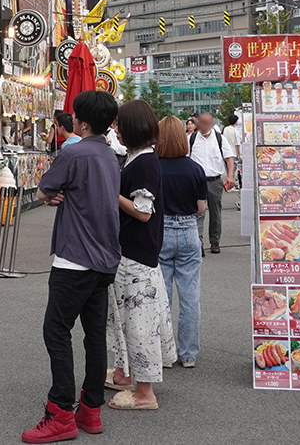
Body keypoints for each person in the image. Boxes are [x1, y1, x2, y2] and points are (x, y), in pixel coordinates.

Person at [23, 91, 121, 444]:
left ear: (81, 121)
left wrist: (53, 195)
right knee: (94, 336)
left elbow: (42, 191)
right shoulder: (110, 156)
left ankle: (60, 412)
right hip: (106, 257)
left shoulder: (73, 152)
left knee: (56, 331)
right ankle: (90, 409)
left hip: (74, 258)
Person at [105, 101, 175, 410]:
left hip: (137, 255)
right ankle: (123, 373)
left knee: (138, 321)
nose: (116, 129)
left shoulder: (145, 162)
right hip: (133, 252)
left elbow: (143, 211)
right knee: (126, 318)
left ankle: (144, 392)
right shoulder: (138, 157)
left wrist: (111, 193)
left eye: (120, 124)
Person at [155, 116, 206, 369]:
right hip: (187, 230)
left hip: (160, 231)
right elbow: (201, 207)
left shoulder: (153, 167)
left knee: (161, 297)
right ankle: (188, 354)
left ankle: (164, 353)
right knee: (190, 296)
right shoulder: (194, 168)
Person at [188, 112, 235, 255]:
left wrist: (230, 176)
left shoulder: (219, 139)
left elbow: (229, 158)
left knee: (215, 212)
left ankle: (215, 241)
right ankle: (198, 243)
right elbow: (185, 157)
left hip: (214, 180)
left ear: (212, 125)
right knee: (198, 213)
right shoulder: (192, 139)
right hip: (197, 182)